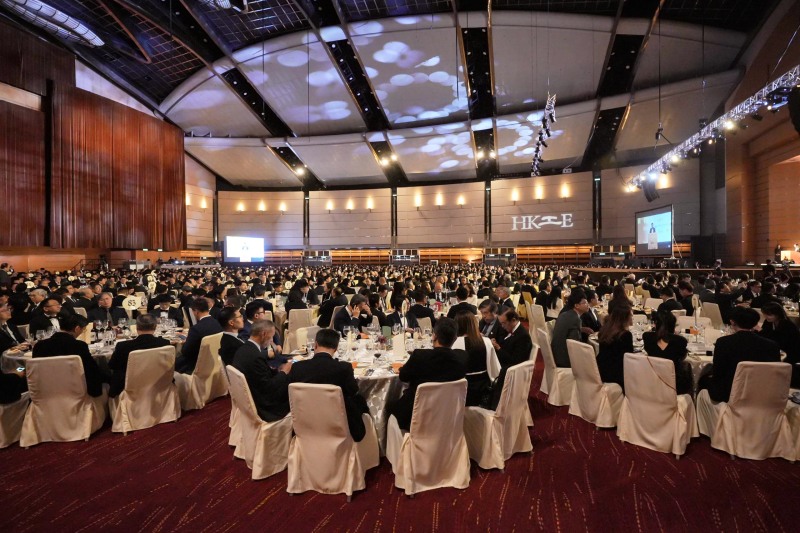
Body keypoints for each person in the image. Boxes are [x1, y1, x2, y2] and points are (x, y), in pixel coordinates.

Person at [289, 328, 370, 441]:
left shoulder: (298, 367)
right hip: (336, 423)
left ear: (315, 344)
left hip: (306, 421)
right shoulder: (344, 368)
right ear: (336, 348)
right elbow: (353, 391)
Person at [389, 318, 467, 431]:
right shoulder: (462, 357)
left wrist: (402, 368)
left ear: (434, 336)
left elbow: (403, 377)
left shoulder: (420, 356)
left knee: (389, 406)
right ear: (455, 338)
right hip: (448, 414)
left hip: (416, 415)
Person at [700, 307, 781, 403]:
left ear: (733, 322)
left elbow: (718, 372)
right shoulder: (772, 345)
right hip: (763, 392)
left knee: (702, 380)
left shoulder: (723, 342)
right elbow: (775, 373)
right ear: (755, 324)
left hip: (729, 393)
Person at [231, 320, 292, 422]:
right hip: (265, 407)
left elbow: (259, 377)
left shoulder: (242, 349)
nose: (271, 341)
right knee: (297, 391)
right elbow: (269, 387)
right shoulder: (255, 356)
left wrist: (276, 370)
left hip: (254, 396)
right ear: (264, 334)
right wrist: (284, 372)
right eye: (271, 337)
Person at [32, 314, 106, 397]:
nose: (82, 332)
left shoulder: (39, 346)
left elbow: (35, 372)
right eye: (83, 329)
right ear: (77, 328)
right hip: (75, 393)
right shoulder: (79, 345)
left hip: (45, 394)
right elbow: (91, 371)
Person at [107, 314, 171, 398]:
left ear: (137, 327)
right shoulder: (164, 343)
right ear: (155, 327)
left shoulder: (123, 346)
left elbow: (112, 365)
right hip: (158, 383)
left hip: (130, 387)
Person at [642, 311, 693, 395]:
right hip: (675, 385)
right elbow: (682, 357)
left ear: (656, 324)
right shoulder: (680, 341)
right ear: (673, 325)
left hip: (652, 381)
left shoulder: (647, 337)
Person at [452, 311, 493, 407]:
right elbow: (494, 369)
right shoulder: (486, 341)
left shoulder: (453, 343)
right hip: (483, 390)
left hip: (460, 392)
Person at [176, 297, 223, 374]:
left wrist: (184, 343)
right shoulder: (217, 323)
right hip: (213, 360)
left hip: (195, 364)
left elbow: (185, 352)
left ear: (196, 311)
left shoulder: (196, 329)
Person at [758, 302, 800, 388]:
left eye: (769, 315)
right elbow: (765, 336)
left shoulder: (787, 325)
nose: (766, 317)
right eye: (765, 314)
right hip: (777, 349)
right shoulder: (768, 322)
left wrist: (760, 331)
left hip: (790, 353)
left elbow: (780, 342)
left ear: (778, 314)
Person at [595, 305, 634, 392]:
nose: (633, 318)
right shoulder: (625, 335)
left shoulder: (604, 331)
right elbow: (628, 359)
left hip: (600, 370)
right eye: (631, 316)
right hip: (615, 375)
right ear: (624, 318)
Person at [550, 292, 592, 368]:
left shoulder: (565, 314)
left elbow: (568, 330)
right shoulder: (576, 319)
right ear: (576, 306)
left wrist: (581, 329)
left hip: (555, 355)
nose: (587, 305)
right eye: (585, 303)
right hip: (565, 360)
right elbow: (575, 344)